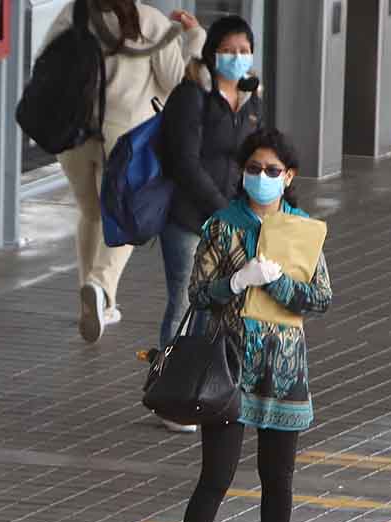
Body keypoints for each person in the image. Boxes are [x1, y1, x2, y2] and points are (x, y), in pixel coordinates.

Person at [164, 129, 332, 522]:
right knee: (216, 474)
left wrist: (278, 282)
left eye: (272, 170)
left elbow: (320, 297)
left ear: (289, 177)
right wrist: (237, 282)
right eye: (254, 169)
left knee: (278, 477)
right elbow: (197, 293)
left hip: (283, 369)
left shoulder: (303, 230)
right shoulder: (222, 226)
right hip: (230, 365)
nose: (261, 178)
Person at [42, 0, 205, 343]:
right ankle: (100, 287)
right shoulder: (149, 22)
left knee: (90, 213)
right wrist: (194, 38)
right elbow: (176, 81)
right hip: (126, 138)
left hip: (74, 136)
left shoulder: (73, 15)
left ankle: (92, 301)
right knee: (128, 216)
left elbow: (44, 64)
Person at [155, 14, 262, 434]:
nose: (238, 59)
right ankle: (170, 392)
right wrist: (220, 207)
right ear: (211, 52)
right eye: (230, 51)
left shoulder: (251, 98)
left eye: (245, 51)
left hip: (230, 221)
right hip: (188, 220)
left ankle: (203, 388)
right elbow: (185, 161)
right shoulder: (192, 96)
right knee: (184, 301)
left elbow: (258, 152)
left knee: (218, 307)